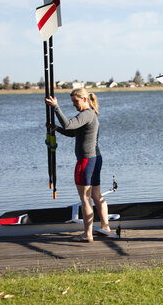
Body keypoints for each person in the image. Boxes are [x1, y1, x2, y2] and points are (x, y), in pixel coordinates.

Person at [45, 88, 112, 242]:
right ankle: (105, 226)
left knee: (85, 199)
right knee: (96, 195)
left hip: (86, 161)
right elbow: (73, 132)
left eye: (76, 101)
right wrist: (57, 129)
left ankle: (87, 235)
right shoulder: (89, 115)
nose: (74, 105)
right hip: (95, 159)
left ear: (84, 99)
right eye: (72, 102)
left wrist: (55, 107)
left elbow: (69, 125)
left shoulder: (86, 114)